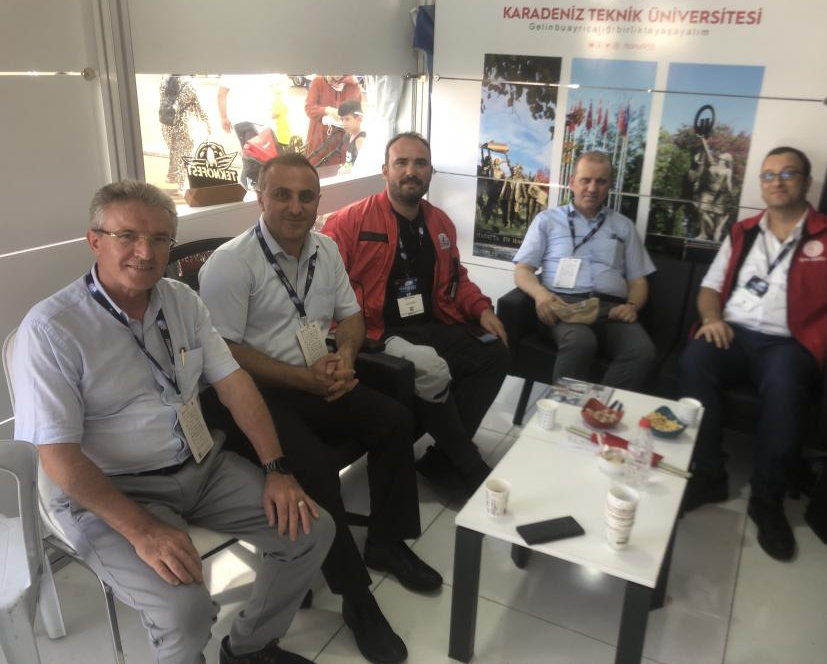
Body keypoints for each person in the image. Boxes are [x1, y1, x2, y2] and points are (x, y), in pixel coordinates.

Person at [11, 180, 334, 664]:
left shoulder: (182, 301)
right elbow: (58, 458)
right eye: (127, 236)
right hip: (110, 491)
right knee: (186, 610)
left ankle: (248, 649)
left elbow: (234, 383)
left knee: (311, 532)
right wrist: (143, 530)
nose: (146, 252)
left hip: (198, 465)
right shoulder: (51, 330)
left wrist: (276, 468)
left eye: (160, 238)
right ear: (95, 240)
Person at [199, 153, 441, 664]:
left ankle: (386, 542)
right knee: (313, 468)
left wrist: (345, 360)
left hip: (314, 378)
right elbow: (224, 354)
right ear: (260, 197)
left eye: (306, 196)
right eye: (282, 195)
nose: (295, 206)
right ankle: (357, 600)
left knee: (394, 420)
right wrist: (301, 378)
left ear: (318, 201)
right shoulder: (231, 263)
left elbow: (350, 318)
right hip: (252, 396)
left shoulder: (325, 248)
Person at [680, 146, 827, 561]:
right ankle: (709, 473)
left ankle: (766, 498)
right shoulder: (743, 231)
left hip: (789, 343)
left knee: (786, 389)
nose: (776, 182)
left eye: (788, 173)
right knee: (695, 360)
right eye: (768, 175)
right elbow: (710, 288)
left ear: (806, 182)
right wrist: (711, 318)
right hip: (732, 334)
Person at [322, 132, 510, 494]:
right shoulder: (349, 222)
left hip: (430, 323)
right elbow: (323, 290)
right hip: (376, 332)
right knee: (430, 367)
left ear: (430, 172)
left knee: (495, 353)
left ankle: (443, 457)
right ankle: (467, 464)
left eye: (420, 163)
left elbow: (456, 278)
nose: (411, 171)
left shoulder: (440, 223)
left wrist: (482, 309)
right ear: (385, 170)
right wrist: (342, 341)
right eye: (401, 163)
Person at [513, 151, 656, 390]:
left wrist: (631, 306)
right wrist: (541, 295)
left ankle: (597, 408)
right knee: (581, 342)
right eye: (585, 180)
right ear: (572, 182)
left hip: (611, 310)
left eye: (601, 181)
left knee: (641, 350)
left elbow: (638, 281)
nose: (592, 188)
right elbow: (523, 270)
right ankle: (566, 408)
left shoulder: (624, 226)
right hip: (564, 305)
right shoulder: (547, 220)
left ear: (609, 186)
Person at [158, 74, 210, 191]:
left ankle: (173, 177)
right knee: (186, 156)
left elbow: (163, 100)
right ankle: (183, 186)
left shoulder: (165, 81)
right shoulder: (191, 84)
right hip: (184, 124)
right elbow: (200, 107)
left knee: (175, 151)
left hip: (167, 124)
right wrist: (207, 123)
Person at [304, 75, 361, 168]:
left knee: (337, 172)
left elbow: (357, 115)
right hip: (318, 142)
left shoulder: (353, 86)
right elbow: (309, 108)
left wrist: (348, 120)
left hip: (341, 144)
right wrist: (326, 110)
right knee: (316, 172)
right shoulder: (318, 81)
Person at [337, 99, 366, 168]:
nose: (344, 123)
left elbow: (364, 166)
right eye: (342, 119)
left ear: (359, 119)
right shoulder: (348, 136)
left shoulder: (360, 140)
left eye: (347, 119)